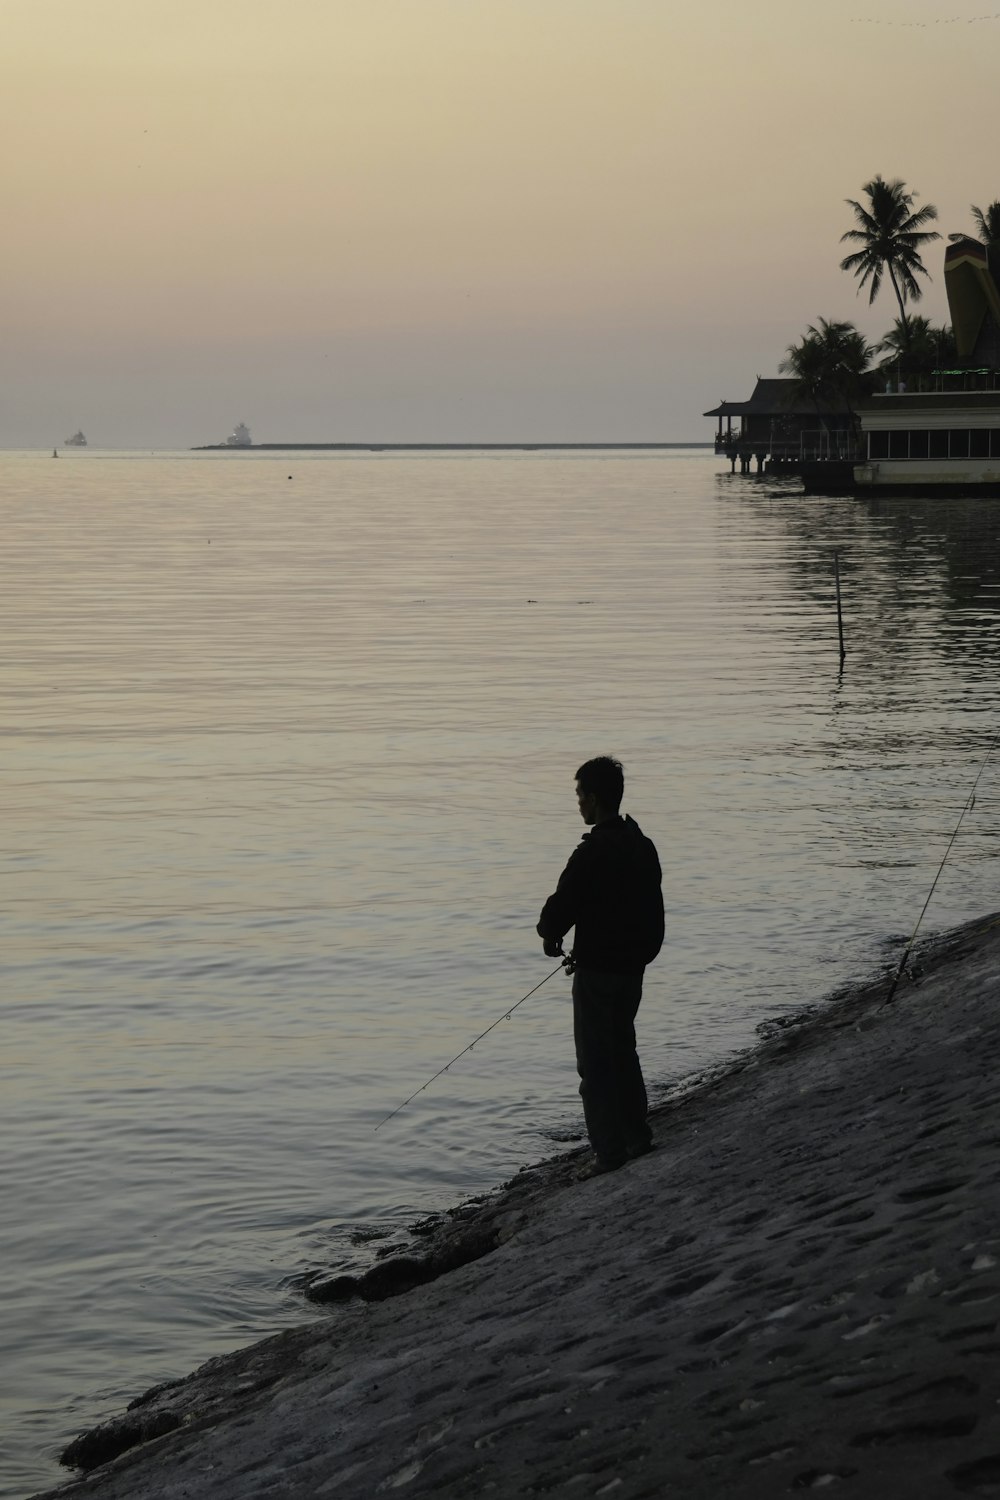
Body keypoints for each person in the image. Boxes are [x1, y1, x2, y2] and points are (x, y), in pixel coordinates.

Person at [537, 757, 664, 1176]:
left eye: (578, 796)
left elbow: (560, 908)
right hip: (633, 969)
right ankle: (637, 1136)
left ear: (592, 799)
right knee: (623, 1053)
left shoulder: (591, 852)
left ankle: (608, 1154)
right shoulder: (640, 843)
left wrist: (549, 933)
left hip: (598, 974)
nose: (577, 804)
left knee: (594, 1066)